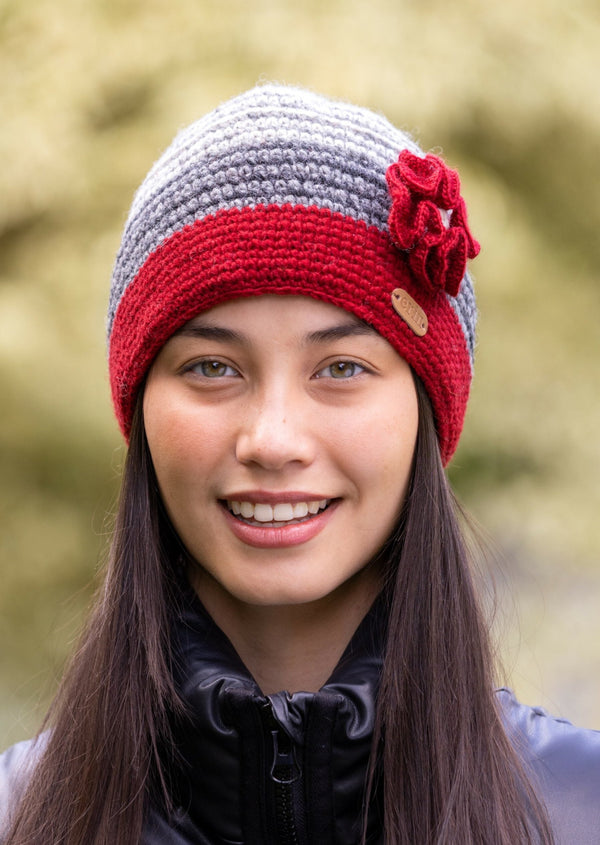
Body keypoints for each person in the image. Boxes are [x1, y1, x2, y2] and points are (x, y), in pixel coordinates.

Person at [1, 83, 599, 845]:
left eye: (342, 368)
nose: (273, 438)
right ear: (139, 408)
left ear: (427, 409)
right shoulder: (21, 818)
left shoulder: (579, 810)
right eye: (213, 367)